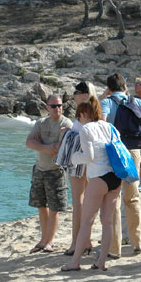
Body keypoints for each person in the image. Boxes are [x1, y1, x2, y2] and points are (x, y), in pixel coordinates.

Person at [101, 73, 141, 257]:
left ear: (109, 88)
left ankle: (114, 248)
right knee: (133, 197)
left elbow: (102, 124)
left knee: (114, 198)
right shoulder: (137, 102)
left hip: (115, 152)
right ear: (125, 87)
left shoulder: (107, 102)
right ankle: (138, 243)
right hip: (134, 151)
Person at [61, 97, 123, 271]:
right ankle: (101, 261)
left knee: (87, 221)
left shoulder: (87, 129)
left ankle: (75, 262)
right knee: (107, 222)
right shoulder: (110, 127)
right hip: (115, 177)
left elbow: (89, 156)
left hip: (99, 178)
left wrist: (74, 158)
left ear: (83, 114)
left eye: (78, 116)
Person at [26, 94, 73, 253]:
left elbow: (62, 147)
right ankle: (43, 239)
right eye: (54, 106)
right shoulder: (40, 123)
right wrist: (47, 148)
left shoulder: (66, 123)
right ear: (47, 107)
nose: (57, 109)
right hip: (40, 169)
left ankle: (49, 242)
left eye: (60, 105)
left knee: (54, 208)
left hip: (56, 171)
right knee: (41, 206)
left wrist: (41, 145)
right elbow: (29, 142)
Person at [55, 82, 97, 256]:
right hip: (92, 162)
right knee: (87, 201)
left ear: (85, 95)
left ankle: (77, 242)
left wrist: (69, 133)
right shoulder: (95, 111)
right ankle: (85, 240)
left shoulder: (85, 113)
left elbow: (85, 135)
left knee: (78, 201)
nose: (73, 95)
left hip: (81, 161)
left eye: (77, 92)